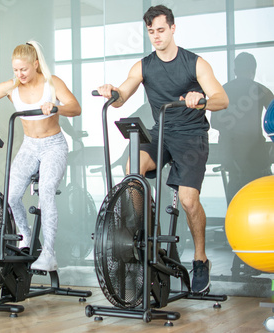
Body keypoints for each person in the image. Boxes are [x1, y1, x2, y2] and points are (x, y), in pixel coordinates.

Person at [97, 5, 229, 294]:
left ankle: (200, 259)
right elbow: (122, 95)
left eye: (160, 30)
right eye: (150, 32)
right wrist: (112, 92)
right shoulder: (143, 65)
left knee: (188, 200)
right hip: (162, 133)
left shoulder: (195, 63)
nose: (155, 36)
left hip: (192, 135)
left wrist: (202, 98)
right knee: (133, 169)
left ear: (172, 28)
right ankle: (148, 237)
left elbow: (222, 99)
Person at [0, 41, 81, 272]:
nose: (20, 74)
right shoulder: (12, 86)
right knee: (10, 196)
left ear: (36, 64)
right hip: (30, 146)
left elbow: (75, 107)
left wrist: (56, 108)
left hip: (53, 145)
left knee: (47, 192)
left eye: (24, 69)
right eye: (16, 70)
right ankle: (27, 237)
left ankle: (49, 254)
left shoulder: (52, 83)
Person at [211, 52, 274, 204]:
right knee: (264, 195)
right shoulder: (262, 90)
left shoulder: (223, 91)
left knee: (236, 195)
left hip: (232, 154)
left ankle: (233, 226)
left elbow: (214, 123)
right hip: (256, 153)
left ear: (235, 70)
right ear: (254, 70)